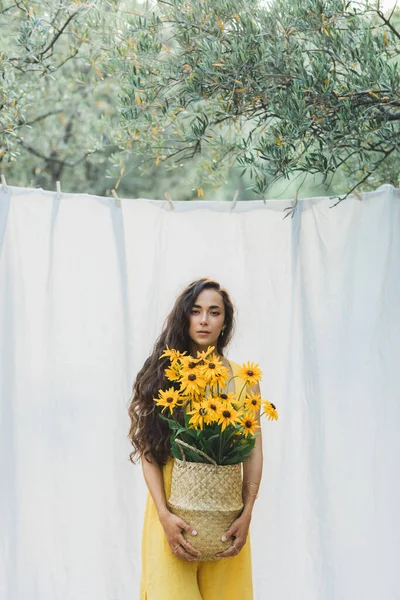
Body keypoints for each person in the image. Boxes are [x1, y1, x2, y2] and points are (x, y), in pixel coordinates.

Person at [128, 278, 263, 600]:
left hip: (226, 514)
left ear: (225, 321)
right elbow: (148, 452)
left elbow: (254, 449)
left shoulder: (243, 379)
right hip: (172, 510)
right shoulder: (166, 373)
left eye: (214, 312)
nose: (204, 320)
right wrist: (164, 514)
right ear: (183, 317)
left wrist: (247, 514)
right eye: (195, 311)